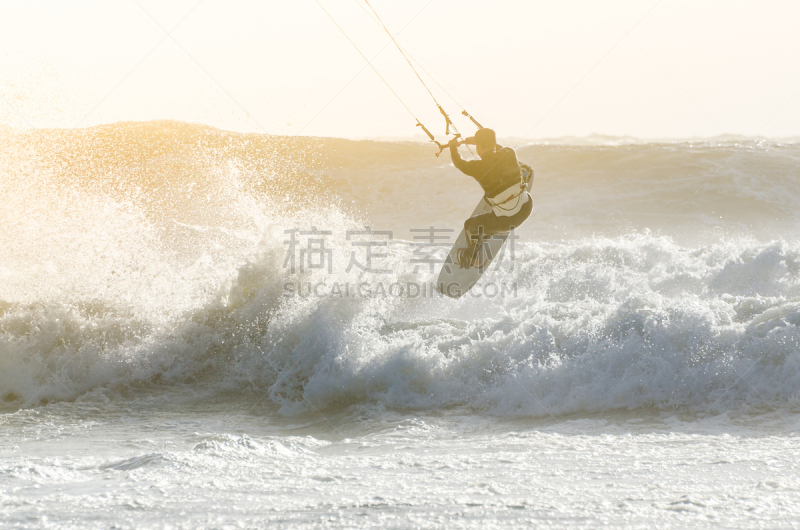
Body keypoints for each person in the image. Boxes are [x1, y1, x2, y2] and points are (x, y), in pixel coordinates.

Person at [448, 128, 532, 268]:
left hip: (510, 220)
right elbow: (498, 147)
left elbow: (458, 162)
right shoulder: (509, 153)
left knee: (470, 226)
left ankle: (473, 258)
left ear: (478, 146)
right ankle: (520, 178)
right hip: (527, 206)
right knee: (511, 181)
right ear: (494, 142)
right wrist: (478, 141)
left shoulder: (476, 167)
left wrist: (452, 147)